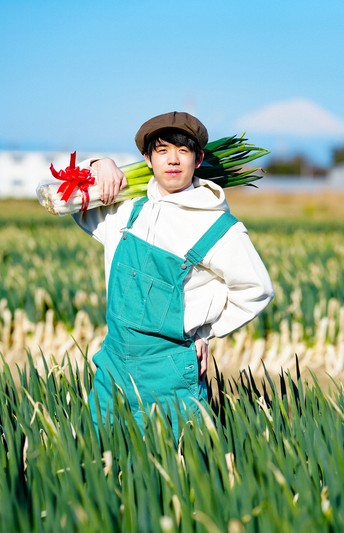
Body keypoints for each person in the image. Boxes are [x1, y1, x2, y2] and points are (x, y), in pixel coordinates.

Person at [73, 111, 274, 440]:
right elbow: (63, 199)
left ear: (198, 160)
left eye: (183, 150)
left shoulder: (218, 227)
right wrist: (99, 165)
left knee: (174, 467)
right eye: (162, 150)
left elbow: (257, 289)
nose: (173, 160)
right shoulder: (127, 212)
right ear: (148, 159)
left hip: (170, 372)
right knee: (102, 466)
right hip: (114, 365)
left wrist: (207, 332)